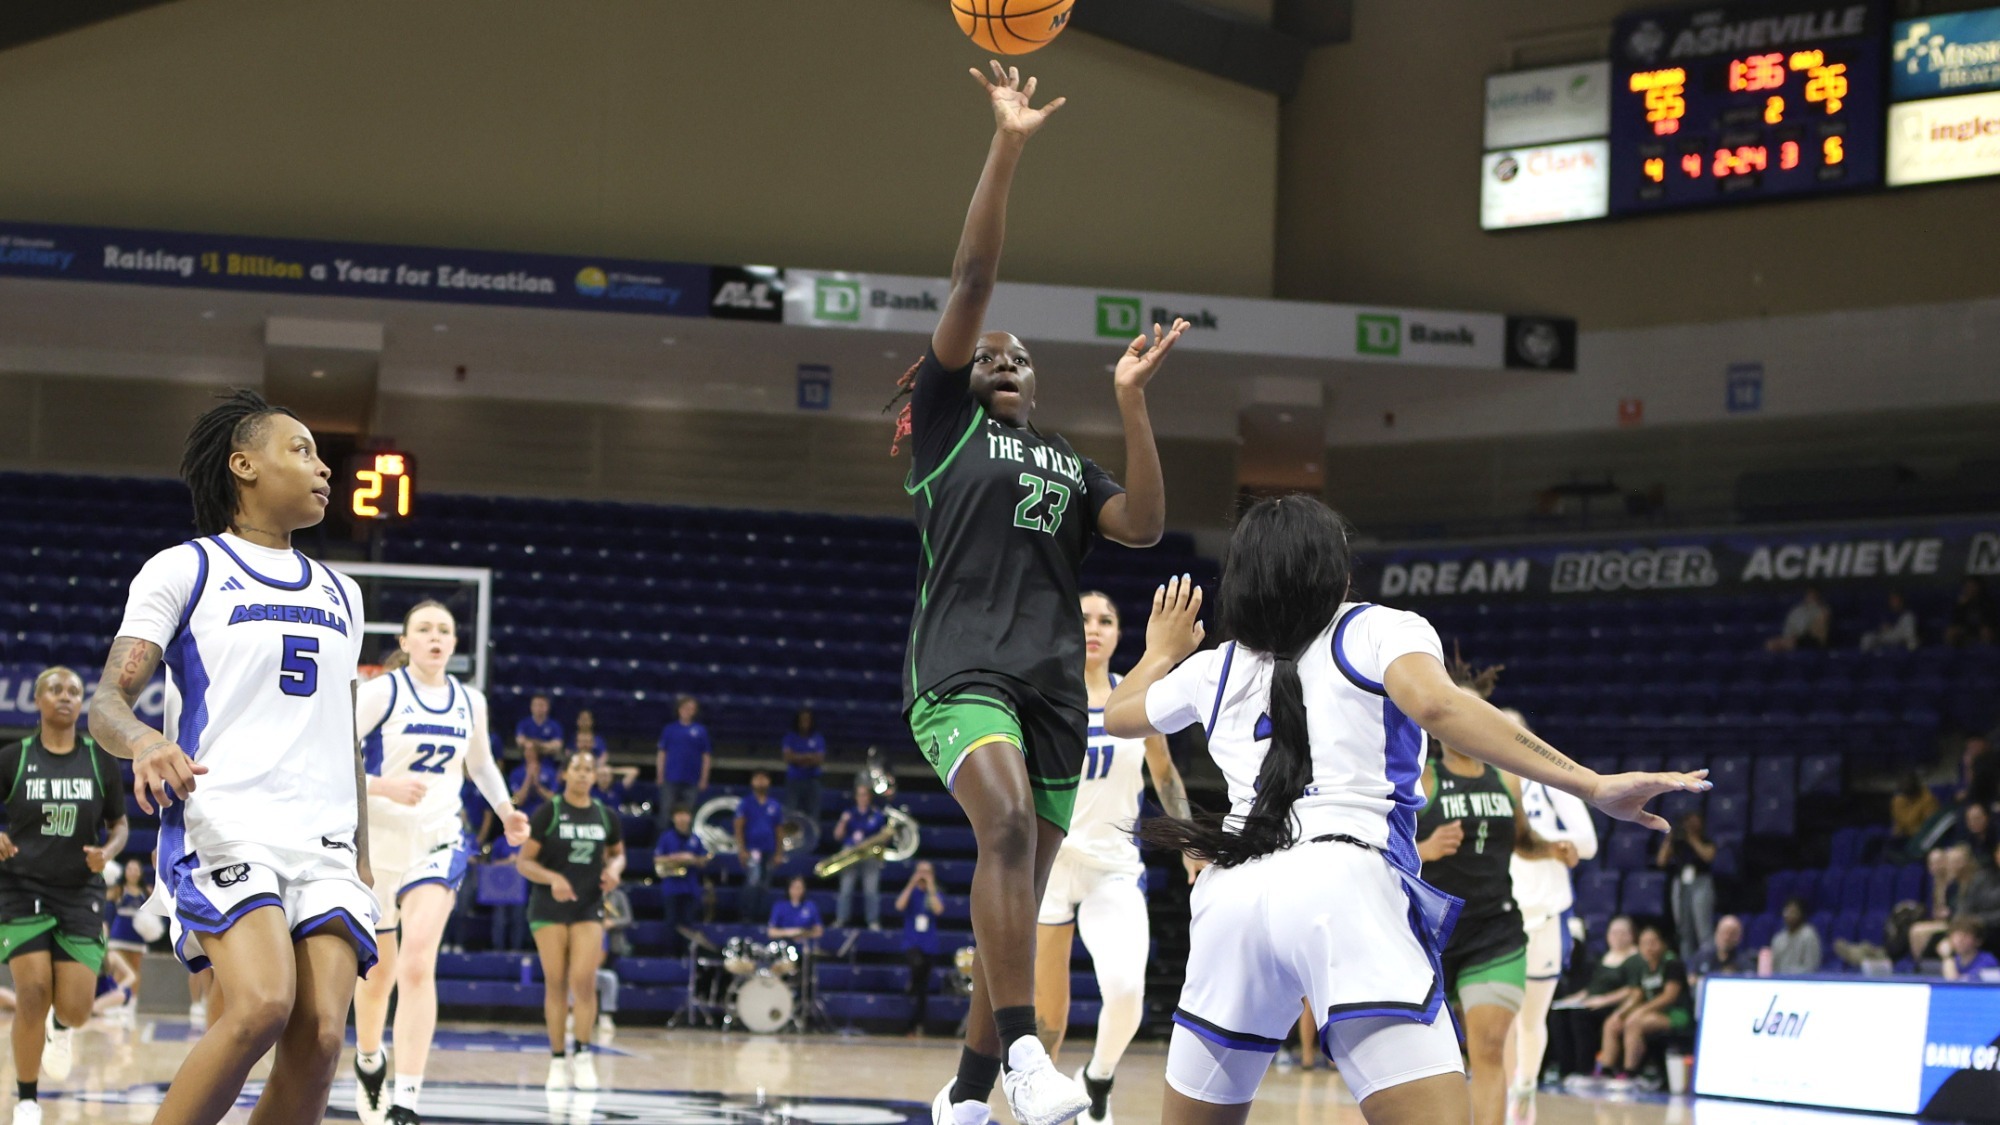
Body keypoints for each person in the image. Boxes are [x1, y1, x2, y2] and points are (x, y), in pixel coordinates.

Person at [1105, 499, 1705, 1125]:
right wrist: (1591, 784)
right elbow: (1439, 706)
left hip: (1232, 896)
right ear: (1336, 571)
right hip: (1344, 883)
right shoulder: (1379, 628)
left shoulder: (1213, 666)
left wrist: (1158, 652)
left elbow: (1119, 716)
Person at [894, 62, 1183, 1125]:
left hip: (1052, 690)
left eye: (1018, 359)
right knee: (1007, 828)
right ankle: (1023, 1054)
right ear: (961, 377)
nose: (1004, 361)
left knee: (1012, 886)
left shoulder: (1066, 459)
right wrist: (1007, 143)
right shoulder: (944, 429)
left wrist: (1131, 402)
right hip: (960, 672)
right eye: (988, 358)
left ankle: (968, 1095)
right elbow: (973, 276)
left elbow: (1142, 526)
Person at [88, 389, 376, 1125]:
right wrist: (147, 740)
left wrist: (364, 858)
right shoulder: (185, 568)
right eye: (302, 450)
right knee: (261, 1005)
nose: (324, 468)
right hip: (227, 822)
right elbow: (106, 702)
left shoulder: (344, 592)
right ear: (244, 465)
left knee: (321, 1038)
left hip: (326, 839)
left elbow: (345, 733)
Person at [350, 602, 532, 1125]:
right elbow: (333, 757)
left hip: (438, 840)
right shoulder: (380, 692)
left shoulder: (470, 701)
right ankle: (368, 1060)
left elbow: (481, 763)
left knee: (417, 961)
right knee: (377, 977)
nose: (435, 637)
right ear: (404, 642)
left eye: (444, 630)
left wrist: (506, 811)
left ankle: (407, 1100)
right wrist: (383, 786)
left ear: (454, 643)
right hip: (376, 846)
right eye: (424, 629)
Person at [1032, 591, 1197, 1125]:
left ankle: (1098, 1077)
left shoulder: (1134, 696)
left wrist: (1189, 843)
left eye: (1106, 619)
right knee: (1046, 1018)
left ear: (1120, 633)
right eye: (1084, 618)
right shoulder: (1044, 694)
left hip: (1113, 867)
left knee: (1126, 993)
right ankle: (1041, 1106)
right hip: (1050, 864)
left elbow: (1164, 773)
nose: (1094, 628)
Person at [0, 667, 129, 1124]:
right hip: (22, 887)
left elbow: (119, 824)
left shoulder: (98, 760)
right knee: (32, 991)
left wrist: (108, 852)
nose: (65, 696)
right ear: (38, 700)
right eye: (55, 689)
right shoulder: (13, 758)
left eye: (74, 691)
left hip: (79, 891)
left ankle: (61, 1026)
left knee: (76, 1009)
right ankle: (27, 1100)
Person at [1416, 722, 1558, 1125]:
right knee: (1423, 1061)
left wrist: (1552, 849)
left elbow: (1523, 840)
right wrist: (1425, 849)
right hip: (1429, 937)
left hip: (1494, 932)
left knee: (1490, 1048)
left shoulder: (1505, 779)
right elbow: (1382, 847)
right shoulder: (1424, 778)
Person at [516, 751, 625, 1093]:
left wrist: (614, 870)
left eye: (588, 769)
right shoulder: (548, 812)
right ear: (564, 774)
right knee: (556, 982)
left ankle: (583, 1054)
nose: (582, 774)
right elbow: (524, 862)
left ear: (595, 776)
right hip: (548, 907)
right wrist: (552, 878)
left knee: (584, 981)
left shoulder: (605, 816)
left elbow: (618, 853)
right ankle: (558, 1060)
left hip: (588, 904)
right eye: (576, 768)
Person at [1505, 717, 1598, 1117]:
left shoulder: (1550, 779)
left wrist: (1536, 842)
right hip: (1499, 911)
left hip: (1545, 912)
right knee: (1498, 1017)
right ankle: (1500, 1100)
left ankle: (1524, 1091)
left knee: (1531, 1018)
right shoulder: (1482, 780)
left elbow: (1588, 844)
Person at [1596, 925, 1691, 1087]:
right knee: (1612, 1022)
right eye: (1644, 943)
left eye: (1653, 942)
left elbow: (1669, 996)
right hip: (1650, 1012)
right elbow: (1637, 993)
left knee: (1634, 1022)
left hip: (1677, 1014)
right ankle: (1606, 1071)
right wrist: (1621, 1012)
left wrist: (1640, 1011)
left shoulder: (1672, 963)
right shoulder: (1643, 965)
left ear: (1663, 944)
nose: (1649, 947)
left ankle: (1630, 1073)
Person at [1551, 917, 1641, 1082]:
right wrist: (1570, 1000)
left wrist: (1602, 1000)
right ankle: (1564, 1069)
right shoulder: (1605, 956)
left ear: (1632, 935)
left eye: (1623, 933)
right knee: (1559, 1014)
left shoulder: (1635, 959)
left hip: (1614, 1005)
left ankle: (1584, 1069)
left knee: (1579, 1016)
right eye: (1614, 932)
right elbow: (1592, 988)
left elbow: (1632, 990)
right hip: (1592, 1001)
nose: (1618, 937)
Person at [1656, 809, 1717, 966]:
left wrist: (1692, 838)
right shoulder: (1678, 840)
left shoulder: (1706, 839)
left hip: (1701, 882)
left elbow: (1708, 856)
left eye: (1695, 820)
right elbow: (1661, 861)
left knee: (1703, 927)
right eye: (1688, 820)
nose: (1691, 824)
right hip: (1681, 883)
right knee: (1683, 929)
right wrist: (1669, 838)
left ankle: (1707, 964)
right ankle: (1687, 966)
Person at [105, 861, 160, 1025]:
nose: (132, 872)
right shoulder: (118, 890)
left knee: (135, 971)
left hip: (137, 935)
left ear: (140, 873)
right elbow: (104, 899)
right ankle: (115, 1004)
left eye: (136, 869)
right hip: (119, 934)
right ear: (125, 871)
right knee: (119, 971)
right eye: (129, 868)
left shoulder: (146, 891)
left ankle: (130, 1005)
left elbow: (157, 909)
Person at [899, 862, 948, 1036]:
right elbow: (899, 905)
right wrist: (911, 883)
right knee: (916, 964)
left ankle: (914, 1025)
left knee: (922, 989)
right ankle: (911, 982)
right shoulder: (912, 892)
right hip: (912, 942)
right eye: (920, 871)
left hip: (929, 944)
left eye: (927, 872)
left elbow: (938, 909)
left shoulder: (935, 893)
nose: (923, 875)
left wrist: (931, 887)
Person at [832, 783, 889, 930]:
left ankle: (873, 921)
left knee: (871, 890)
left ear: (869, 797)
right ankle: (841, 919)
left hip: (869, 853)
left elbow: (884, 837)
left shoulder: (876, 814)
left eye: (865, 795)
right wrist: (843, 821)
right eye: (860, 795)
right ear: (856, 797)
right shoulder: (849, 813)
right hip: (850, 852)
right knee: (846, 888)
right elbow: (837, 836)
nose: (862, 798)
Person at [652, 806, 707, 956]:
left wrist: (692, 859)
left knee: (688, 923)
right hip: (672, 887)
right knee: (671, 922)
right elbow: (657, 859)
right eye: (679, 814)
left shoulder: (695, 838)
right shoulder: (666, 837)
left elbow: (703, 861)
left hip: (690, 887)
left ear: (690, 817)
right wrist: (675, 858)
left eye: (685, 814)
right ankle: (670, 955)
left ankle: (686, 955)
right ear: (673, 818)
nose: (682, 818)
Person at [1909, 844, 1977, 960]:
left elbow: (1967, 909)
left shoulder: (1974, 883)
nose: (1952, 865)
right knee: (1916, 930)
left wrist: (1949, 914)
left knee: (1919, 931)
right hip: (1952, 920)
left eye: (1957, 861)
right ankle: (1921, 965)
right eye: (1951, 862)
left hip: (1963, 923)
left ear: (1967, 862)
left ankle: (1923, 964)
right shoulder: (1953, 885)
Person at [734, 771, 784, 924]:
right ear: (752, 782)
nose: (761, 782)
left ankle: (760, 916)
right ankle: (746, 915)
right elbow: (738, 827)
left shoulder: (774, 805)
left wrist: (779, 853)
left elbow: (779, 831)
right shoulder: (746, 803)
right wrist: (742, 849)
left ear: (769, 782)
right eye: (757, 778)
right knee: (752, 881)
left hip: (769, 850)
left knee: (765, 884)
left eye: (764, 778)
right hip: (752, 849)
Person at [655, 697, 711, 828]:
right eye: (685, 708)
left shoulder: (701, 731)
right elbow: (662, 753)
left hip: (692, 779)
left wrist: (704, 778)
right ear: (679, 710)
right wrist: (660, 774)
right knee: (665, 813)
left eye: (691, 709)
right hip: (670, 778)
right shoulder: (669, 729)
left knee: (688, 814)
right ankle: (663, 840)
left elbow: (706, 756)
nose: (687, 711)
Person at [781, 709, 827, 820]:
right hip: (794, 780)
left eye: (807, 720)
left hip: (812, 780)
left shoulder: (818, 738)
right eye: (802, 720)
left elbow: (819, 759)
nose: (805, 722)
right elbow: (787, 757)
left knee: (814, 814)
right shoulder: (790, 737)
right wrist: (808, 757)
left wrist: (797, 757)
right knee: (790, 813)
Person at [1766, 897, 1823, 975]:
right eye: (1787, 912)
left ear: (1801, 914)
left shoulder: (1809, 935)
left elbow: (1811, 967)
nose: (1790, 916)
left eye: (1793, 912)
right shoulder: (1779, 938)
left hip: (1801, 979)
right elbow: (1773, 966)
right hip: (1780, 979)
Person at [1765, 586, 1830, 651]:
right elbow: (1789, 628)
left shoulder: (1823, 611)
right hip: (1794, 638)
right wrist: (1790, 636)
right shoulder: (1797, 610)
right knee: (1770, 644)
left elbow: (1819, 636)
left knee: (1791, 643)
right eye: (1809, 595)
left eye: (1813, 596)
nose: (1811, 598)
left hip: (1809, 640)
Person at [768, 875, 825, 943]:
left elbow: (819, 931)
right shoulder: (779, 906)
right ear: (788, 889)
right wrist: (791, 932)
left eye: (799, 888)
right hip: (784, 942)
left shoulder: (811, 906)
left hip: (805, 943)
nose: (796, 891)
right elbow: (771, 932)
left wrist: (803, 933)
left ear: (804, 889)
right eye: (793, 887)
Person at [1692, 915, 1749, 981]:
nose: (1726, 938)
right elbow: (1690, 978)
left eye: (1731, 934)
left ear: (1739, 937)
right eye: (1723, 932)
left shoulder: (1744, 963)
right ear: (1716, 933)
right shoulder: (1701, 957)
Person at [1947, 577, 1998, 647]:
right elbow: (1956, 620)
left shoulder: (1987, 602)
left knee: (1985, 631)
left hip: (1982, 626)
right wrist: (1961, 607)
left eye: (1972, 586)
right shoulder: (1961, 602)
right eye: (1967, 586)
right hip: (1967, 627)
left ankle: (1986, 650)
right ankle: (1950, 651)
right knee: (1951, 631)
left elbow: (1990, 619)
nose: (1969, 589)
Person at [515, 695, 564, 762]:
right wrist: (545, 747)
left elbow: (557, 746)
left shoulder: (555, 725)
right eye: (536, 705)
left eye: (541, 705)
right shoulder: (523, 723)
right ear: (531, 707)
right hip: (526, 762)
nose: (538, 708)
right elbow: (520, 742)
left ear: (547, 707)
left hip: (547, 762)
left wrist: (534, 745)